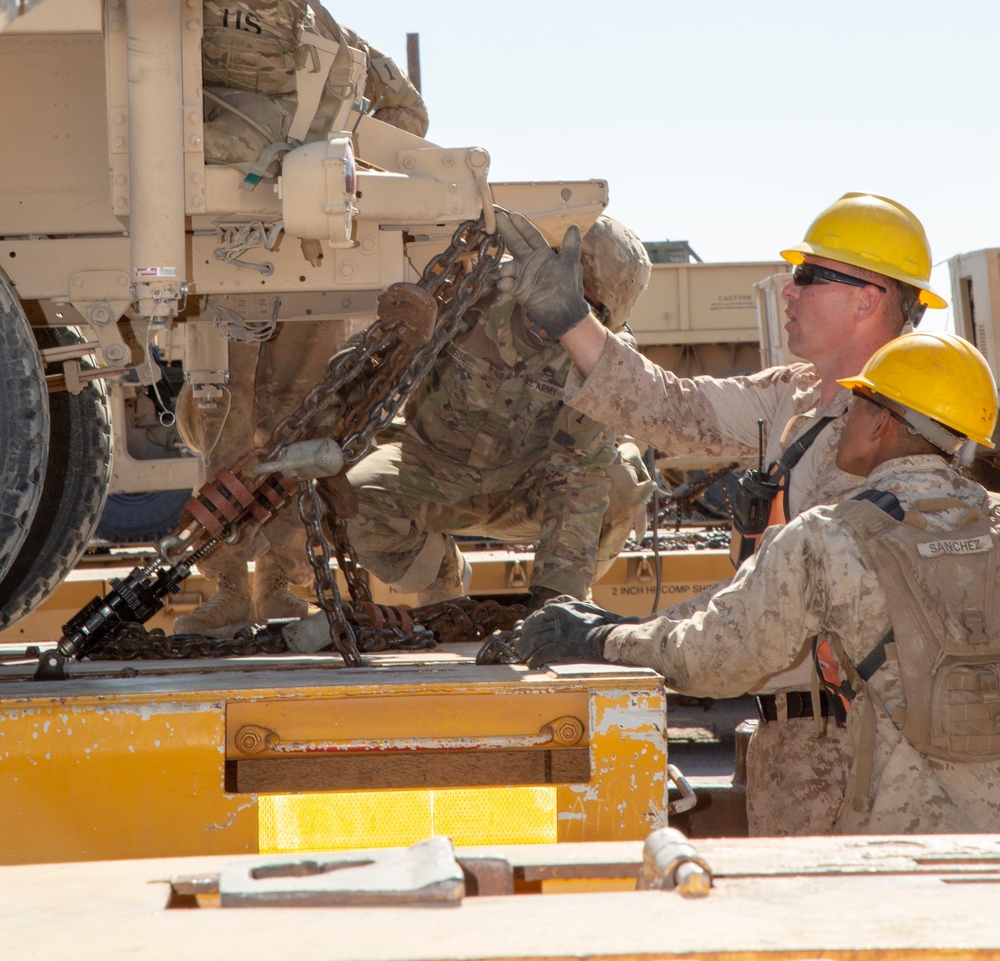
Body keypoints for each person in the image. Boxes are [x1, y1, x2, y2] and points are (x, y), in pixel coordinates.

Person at [494, 192, 947, 835]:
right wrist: (572, 319)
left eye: (809, 276)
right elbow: (673, 407)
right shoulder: (795, 398)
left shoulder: (902, 427)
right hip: (797, 741)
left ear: (867, 298)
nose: (788, 290)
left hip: (870, 747)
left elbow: (779, 617)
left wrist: (611, 636)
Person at [515, 332, 1000, 835]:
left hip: (902, 836)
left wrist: (601, 637)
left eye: (855, 404)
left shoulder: (828, 537)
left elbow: (713, 657)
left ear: (881, 422)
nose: (843, 418)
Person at [179, 0, 427, 637]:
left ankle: (284, 584)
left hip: (306, 255)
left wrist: (331, 145)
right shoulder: (185, 19)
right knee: (226, 415)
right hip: (223, 251)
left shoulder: (328, 35)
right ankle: (223, 587)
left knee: (299, 420)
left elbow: (407, 113)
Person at [275, 216, 656, 611]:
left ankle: (571, 597)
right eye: (562, 289)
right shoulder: (474, 293)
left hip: (527, 487)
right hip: (431, 467)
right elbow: (360, 368)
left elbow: (577, 471)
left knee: (618, 481)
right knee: (355, 506)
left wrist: (557, 600)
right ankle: (441, 570)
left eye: (586, 308)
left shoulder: (603, 358)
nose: (560, 313)